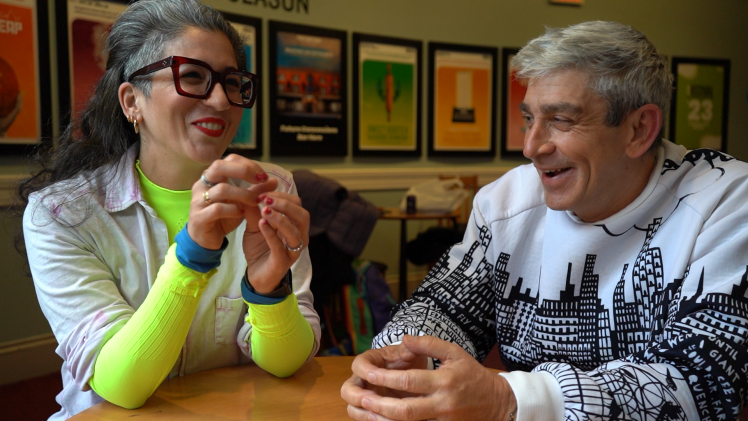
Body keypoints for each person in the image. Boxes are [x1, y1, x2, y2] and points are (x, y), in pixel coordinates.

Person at [342, 21, 748, 421]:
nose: (531, 147)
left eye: (561, 120)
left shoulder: (726, 201)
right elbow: (444, 307)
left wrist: (510, 399)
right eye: (529, 118)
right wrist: (400, 361)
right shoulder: (508, 202)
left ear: (639, 130)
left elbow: (700, 382)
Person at [17, 1, 320, 419]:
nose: (219, 100)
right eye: (192, 76)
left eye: (231, 82)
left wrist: (269, 292)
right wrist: (191, 258)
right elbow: (120, 386)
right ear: (131, 102)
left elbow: (287, 362)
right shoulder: (61, 214)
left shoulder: (270, 189)